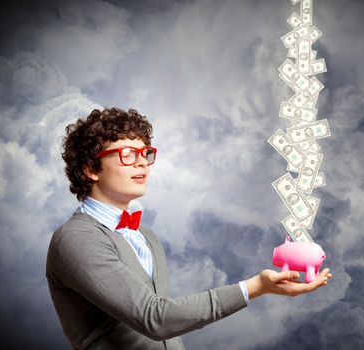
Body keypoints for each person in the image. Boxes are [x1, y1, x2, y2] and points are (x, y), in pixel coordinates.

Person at [46, 107, 332, 350]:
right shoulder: (76, 239)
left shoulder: (146, 238)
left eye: (145, 153)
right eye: (127, 154)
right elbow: (155, 319)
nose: (142, 163)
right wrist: (255, 287)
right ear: (90, 169)